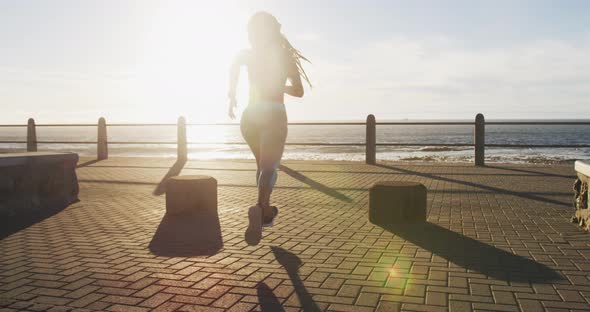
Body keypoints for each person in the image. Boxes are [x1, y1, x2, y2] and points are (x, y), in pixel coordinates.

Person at [228, 11, 311, 245]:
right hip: (273, 113)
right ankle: (259, 206)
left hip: (249, 116)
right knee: (269, 167)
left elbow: (234, 67)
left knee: (261, 166)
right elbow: (299, 91)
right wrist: (280, 87)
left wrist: (231, 96)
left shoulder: (247, 55)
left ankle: (265, 213)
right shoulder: (285, 58)